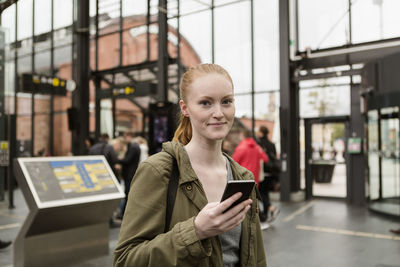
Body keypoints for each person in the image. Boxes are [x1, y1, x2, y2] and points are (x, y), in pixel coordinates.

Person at [114, 64, 266, 266]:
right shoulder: (159, 171)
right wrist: (196, 231)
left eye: (226, 101)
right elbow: (126, 259)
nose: (219, 113)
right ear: (185, 108)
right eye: (205, 103)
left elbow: (254, 256)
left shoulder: (242, 177)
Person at [256, 126, 280, 223]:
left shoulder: (259, 143)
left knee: (260, 193)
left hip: (262, 172)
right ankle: (265, 214)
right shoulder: (272, 144)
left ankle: (271, 208)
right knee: (265, 192)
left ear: (261, 132)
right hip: (271, 172)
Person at [118, 131, 141, 218]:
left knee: (128, 194)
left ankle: (125, 214)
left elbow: (127, 160)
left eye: (125, 136)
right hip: (131, 173)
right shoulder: (135, 146)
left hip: (129, 174)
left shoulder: (133, 146)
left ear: (129, 136)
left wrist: (118, 160)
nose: (125, 138)